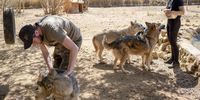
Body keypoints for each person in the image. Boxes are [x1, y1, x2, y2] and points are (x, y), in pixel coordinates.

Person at [19, 15, 82, 93]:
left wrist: (68, 72)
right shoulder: (38, 32)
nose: (34, 44)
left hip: (73, 40)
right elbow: (46, 53)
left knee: (62, 78)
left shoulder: (52, 30)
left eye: (33, 42)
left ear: (36, 33)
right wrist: (51, 70)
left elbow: (74, 48)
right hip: (60, 42)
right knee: (54, 73)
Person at [163, 0, 185, 68]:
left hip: (175, 22)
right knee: (170, 41)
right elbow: (168, 9)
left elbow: (183, 12)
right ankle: (172, 59)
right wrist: (165, 10)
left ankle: (176, 62)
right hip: (169, 21)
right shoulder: (170, 0)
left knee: (173, 42)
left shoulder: (179, 0)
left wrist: (172, 12)